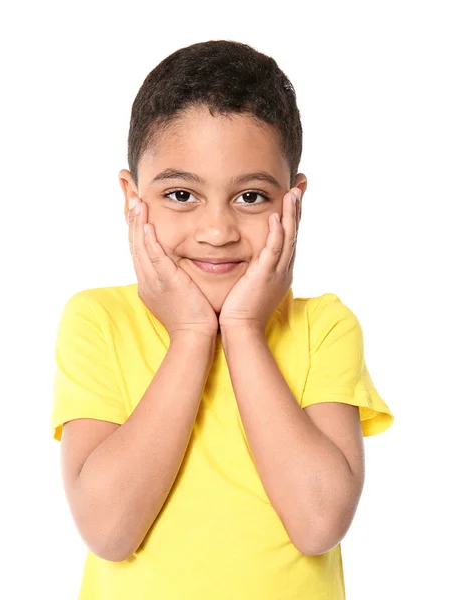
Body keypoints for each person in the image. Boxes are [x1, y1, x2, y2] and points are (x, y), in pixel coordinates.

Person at [51, 39, 394, 600]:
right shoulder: (98, 321)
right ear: (131, 197)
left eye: (252, 197)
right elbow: (109, 531)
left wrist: (243, 331)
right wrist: (190, 335)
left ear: (294, 201)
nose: (217, 230)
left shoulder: (326, 327)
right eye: (182, 194)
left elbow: (318, 524)